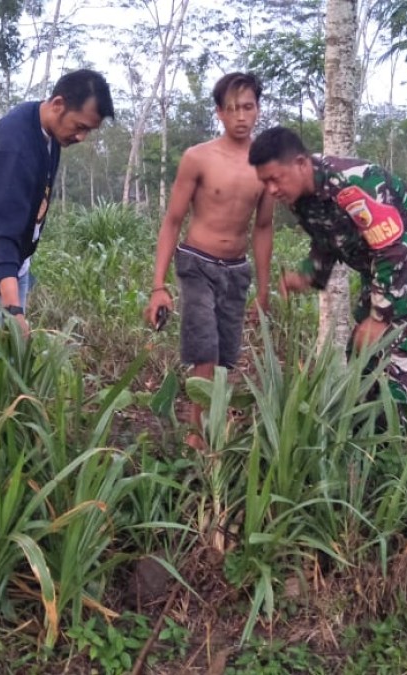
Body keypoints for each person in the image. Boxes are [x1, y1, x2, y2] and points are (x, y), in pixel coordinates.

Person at [248, 126, 407, 410]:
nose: (271, 190)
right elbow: (328, 239)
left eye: (275, 179)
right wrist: (307, 274)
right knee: (362, 350)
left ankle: (395, 429)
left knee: (402, 348)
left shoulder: (352, 184)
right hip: (382, 263)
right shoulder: (299, 197)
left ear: (300, 163)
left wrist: (380, 316)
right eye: (265, 182)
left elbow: (393, 249)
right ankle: (363, 424)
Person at [143, 72, 274, 443]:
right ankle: (196, 437)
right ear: (219, 112)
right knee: (206, 350)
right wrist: (158, 286)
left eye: (248, 107)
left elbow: (263, 227)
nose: (241, 116)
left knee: (225, 358)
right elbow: (172, 221)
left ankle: (210, 425)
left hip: (236, 270)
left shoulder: (265, 164)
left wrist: (264, 290)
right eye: (232, 109)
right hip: (197, 263)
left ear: (258, 109)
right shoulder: (198, 157)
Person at [0, 69, 114, 336]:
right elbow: (1, 233)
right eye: (80, 127)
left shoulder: (47, 131)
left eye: (88, 130)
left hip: (11, 264)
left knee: (14, 353)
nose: (81, 137)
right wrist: (14, 309)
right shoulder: (14, 145)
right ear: (58, 104)